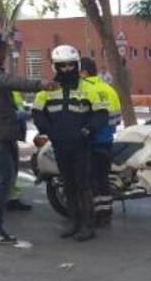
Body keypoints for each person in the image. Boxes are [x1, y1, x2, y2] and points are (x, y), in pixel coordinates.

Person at [0, 33, 55, 245]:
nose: (4, 55)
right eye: (2, 51)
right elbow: (11, 81)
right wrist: (42, 84)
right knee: (5, 177)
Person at [33, 46, 105, 241]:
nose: (66, 69)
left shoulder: (89, 88)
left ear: (77, 65)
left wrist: (87, 130)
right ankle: (73, 222)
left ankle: (88, 226)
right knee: (68, 184)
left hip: (82, 145)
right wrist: (47, 129)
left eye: (70, 65)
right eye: (61, 65)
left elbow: (101, 114)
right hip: (60, 145)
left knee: (83, 185)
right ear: (55, 66)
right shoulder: (47, 90)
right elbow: (37, 112)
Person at [80, 57, 121, 226]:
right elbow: (116, 118)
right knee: (102, 179)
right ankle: (106, 213)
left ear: (84, 72)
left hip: (91, 141)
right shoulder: (108, 89)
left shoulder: (85, 89)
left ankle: (97, 215)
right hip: (107, 140)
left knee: (92, 181)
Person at [6, 90, 33, 211]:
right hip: (3, 135)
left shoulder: (12, 89)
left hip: (14, 134)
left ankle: (12, 199)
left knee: (13, 169)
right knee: (1, 171)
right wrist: (23, 114)